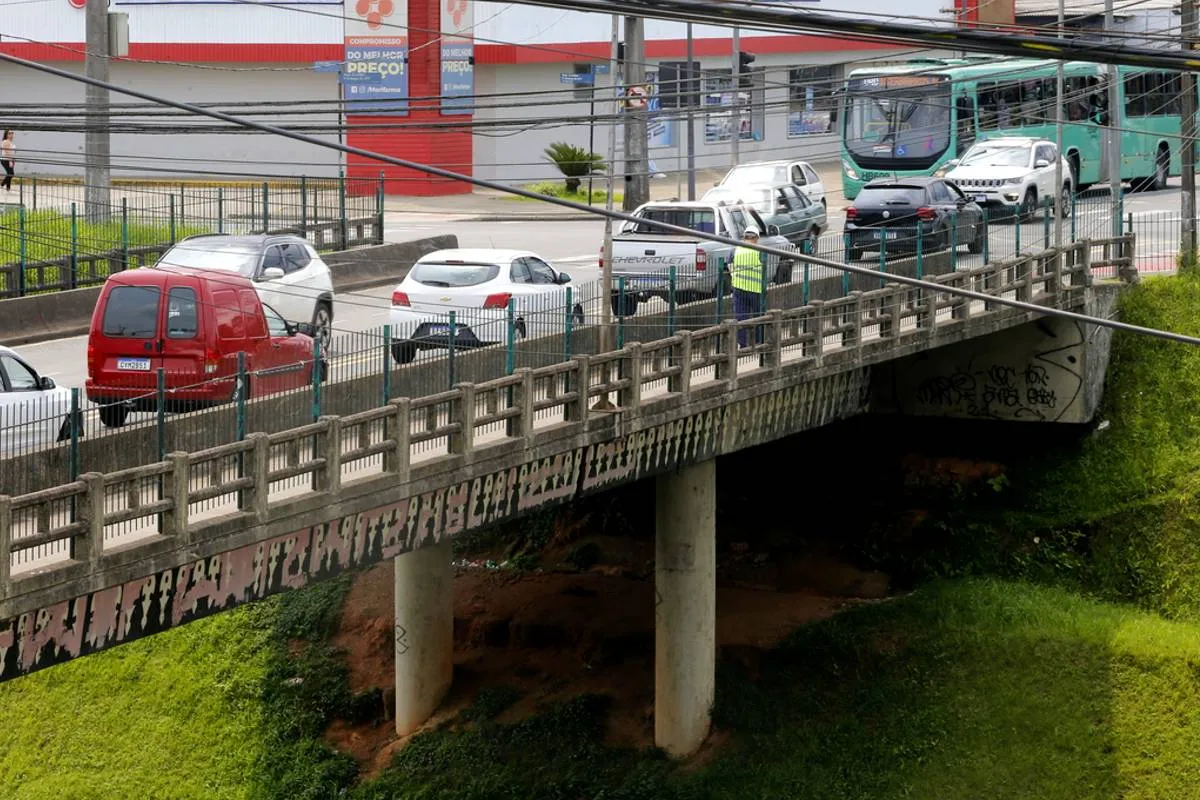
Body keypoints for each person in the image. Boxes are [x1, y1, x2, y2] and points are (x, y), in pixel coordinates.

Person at [730, 226, 768, 348]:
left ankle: (743, 344)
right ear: (756, 238)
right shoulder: (759, 250)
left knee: (741, 317)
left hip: (738, 288)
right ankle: (759, 342)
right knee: (759, 317)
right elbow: (764, 268)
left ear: (745, 236)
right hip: (756, 289)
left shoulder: (735, 249)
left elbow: (730, 265)